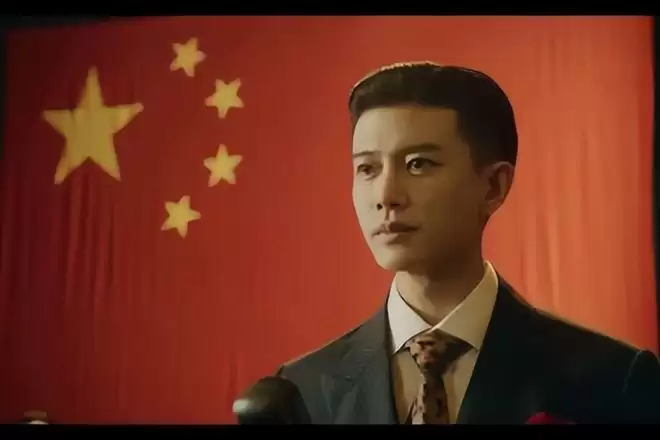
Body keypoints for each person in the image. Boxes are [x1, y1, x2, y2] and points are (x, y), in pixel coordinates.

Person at [275, 62, 660, 424]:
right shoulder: (301, 391)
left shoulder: (612, 380)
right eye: (367, 168)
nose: (386, 195)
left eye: (418, 164)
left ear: (493, 186)